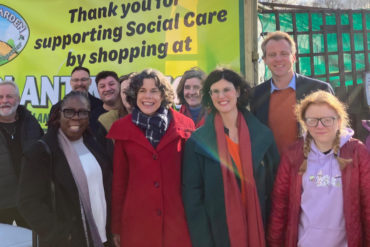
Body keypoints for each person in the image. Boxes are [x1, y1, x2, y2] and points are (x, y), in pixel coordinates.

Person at [182, 68, 280, 247]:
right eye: (215, 91)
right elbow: (193, 198)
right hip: (217, 235)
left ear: (238, 91)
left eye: (226, 89)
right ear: (209, 96)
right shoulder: (196, 143)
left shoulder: (263, 135)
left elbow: (275, 187)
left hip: (260, 229)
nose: (221, 96)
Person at [267, 91, 370, 247]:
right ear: (304, 123)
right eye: (312, 120)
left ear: (339, 121)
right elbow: (280, 207)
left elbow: (368, 204)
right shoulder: (293, 155)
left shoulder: (356, 152)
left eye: (327, 120)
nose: (320, 126)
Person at [107, 69, 195, 247]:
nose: (148, 96)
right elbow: (119, 183)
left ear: (163, 95)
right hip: (137, 224)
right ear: (135, 95)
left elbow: (192, 180)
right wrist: (116, 226)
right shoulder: (122, 129)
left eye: (154, 90)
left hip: (176, 223)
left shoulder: (184, 126)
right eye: (142, 91)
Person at [18, 91, 112, 247]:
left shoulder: (94, 144)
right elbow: (28, 202)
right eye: (69, 111)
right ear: (58, 115)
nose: (76, 117)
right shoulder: (41, 151)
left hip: (102, 235)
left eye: (82, 112)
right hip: (69, 241)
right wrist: (62, 234)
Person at [250, 31, 334, 153]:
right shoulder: (256, 95)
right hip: (273, 170)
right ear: (265, 60)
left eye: (284, 53)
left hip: (312, 168)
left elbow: (336, 133)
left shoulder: (319, 90)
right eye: (272, 55)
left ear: (293, 57)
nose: (278, 59)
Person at [0, 80, 43, 227]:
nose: (4, 101)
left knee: (31, 240)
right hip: (2, 203)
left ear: (18, 99)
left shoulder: (31, 123)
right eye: (0, 97)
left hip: (29, 200)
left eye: (9, 96)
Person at [49, 66, 106, 132]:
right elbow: (52, 136)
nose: (80, 83)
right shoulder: (57, 108)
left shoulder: (101, 106)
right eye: (76, 80)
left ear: (90, 82)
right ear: (71, 82)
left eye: (83, 80)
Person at [97, 73, 135, 160]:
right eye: (124, 91)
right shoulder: (106, 121)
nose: (128, 95)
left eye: (133, 90)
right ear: (120, 95)